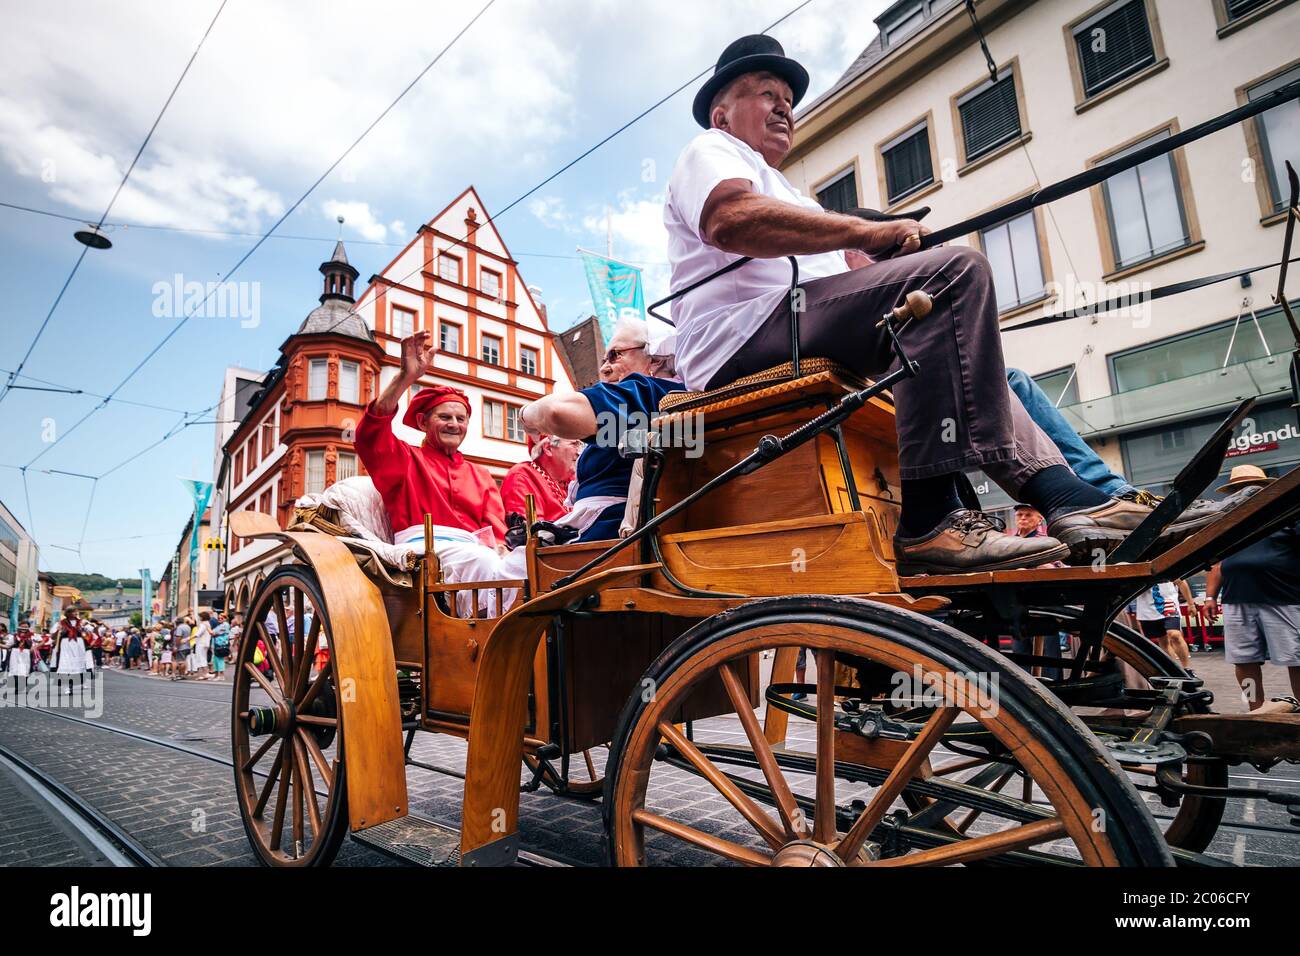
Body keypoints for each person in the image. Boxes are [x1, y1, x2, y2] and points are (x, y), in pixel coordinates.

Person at [663, 36, 1240, 575]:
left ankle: (1072, 498)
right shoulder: (710, 149)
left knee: (980, 354)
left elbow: (861, 281)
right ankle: (929, 521)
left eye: (788, 99)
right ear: (721, 112)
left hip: (793, 326)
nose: (784, 107)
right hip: (741, 338)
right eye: (767, 93)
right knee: (954, 274)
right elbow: (730, 220)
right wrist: (870, 236)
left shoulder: (791, 193)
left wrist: (891, 255)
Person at [355, 332, 511, 605]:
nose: (454, 424)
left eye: (460, 418)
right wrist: (405, 378)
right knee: (482, 561)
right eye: (445, 417)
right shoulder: (405, 458)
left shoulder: (481, 474)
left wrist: (503, 548)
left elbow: (496, 528)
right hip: (421, 551)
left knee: (522, 564)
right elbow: (371, 434)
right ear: (423, 422)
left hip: (478, 552)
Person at [520, 317, 682, 543]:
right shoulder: (671, 397)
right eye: (605, 358)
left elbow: (554, 411)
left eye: (615, 355)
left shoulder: (647, 392)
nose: (604, 368)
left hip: (607, 535)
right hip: (615, 530)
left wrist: (524, 415)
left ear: (654, 359)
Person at [1203, 466, 1300, 710]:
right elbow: (1218, 563)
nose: (1245, 491)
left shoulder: (1286, 512)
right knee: (1243, 660)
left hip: (1283, 596)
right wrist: (1209, 597)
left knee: (1296, 658)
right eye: (1238, 488)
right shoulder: (1229, 522)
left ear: (1266, 487)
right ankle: (1254, 709)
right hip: (1237, 598)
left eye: (1251, 486)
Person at [500, 433, 582, 523]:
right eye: (574, 444)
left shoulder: (575, 480)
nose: (580, 452)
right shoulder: (523, 477)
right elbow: (531, 532)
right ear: (548, 448)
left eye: (580, 445)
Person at [1135, 579, 1193, 670]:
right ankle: (1174, 670)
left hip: (1168, 603)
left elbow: (1181, 581)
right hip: (1147, 607)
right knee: (1162, 640)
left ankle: (1187, 668)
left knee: (1174, 635)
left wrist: (1191, 604)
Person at [193, 612, 213, 680]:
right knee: (203, 658)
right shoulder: (207, 623)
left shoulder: (203, 624)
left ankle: (204, 674)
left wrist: (187, 639)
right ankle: (203, 674)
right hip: (205, 643)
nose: (199, 618)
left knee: (200, 658)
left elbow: (198, 634)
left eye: (200, 617)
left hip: (201, 643)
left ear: (202, 617)